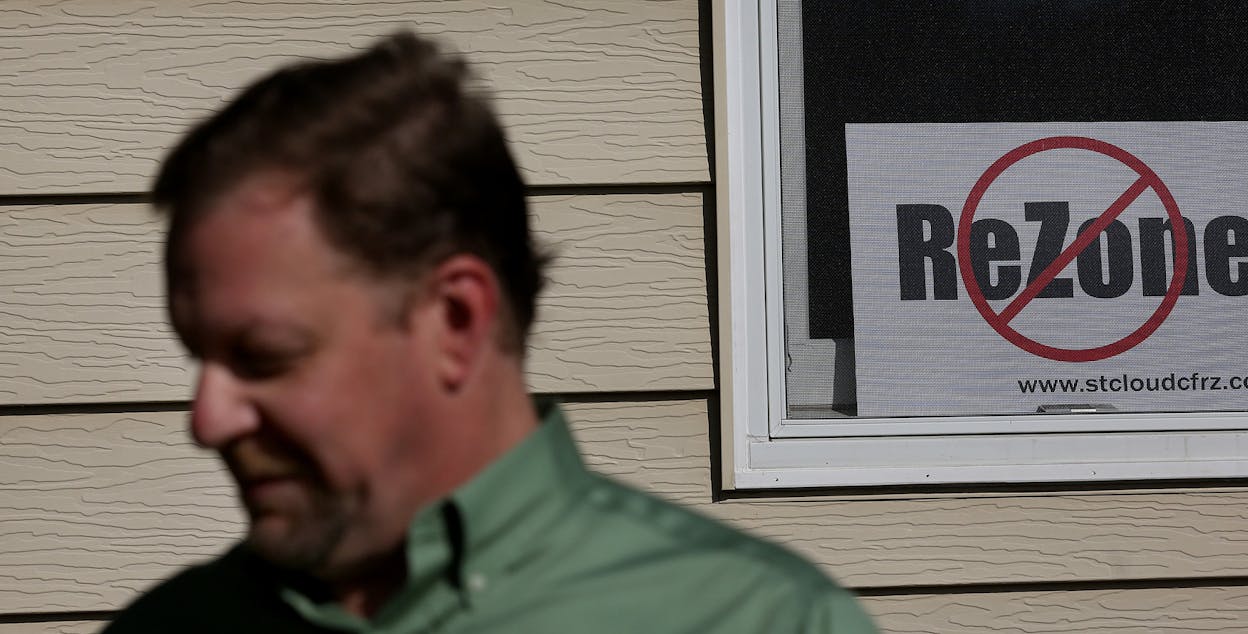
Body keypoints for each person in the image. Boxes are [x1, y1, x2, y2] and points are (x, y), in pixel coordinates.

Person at [102, 31, 877, 633]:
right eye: (197, 356)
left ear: (456, 321)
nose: (206, 420)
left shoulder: (754, 621)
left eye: (264, 356)